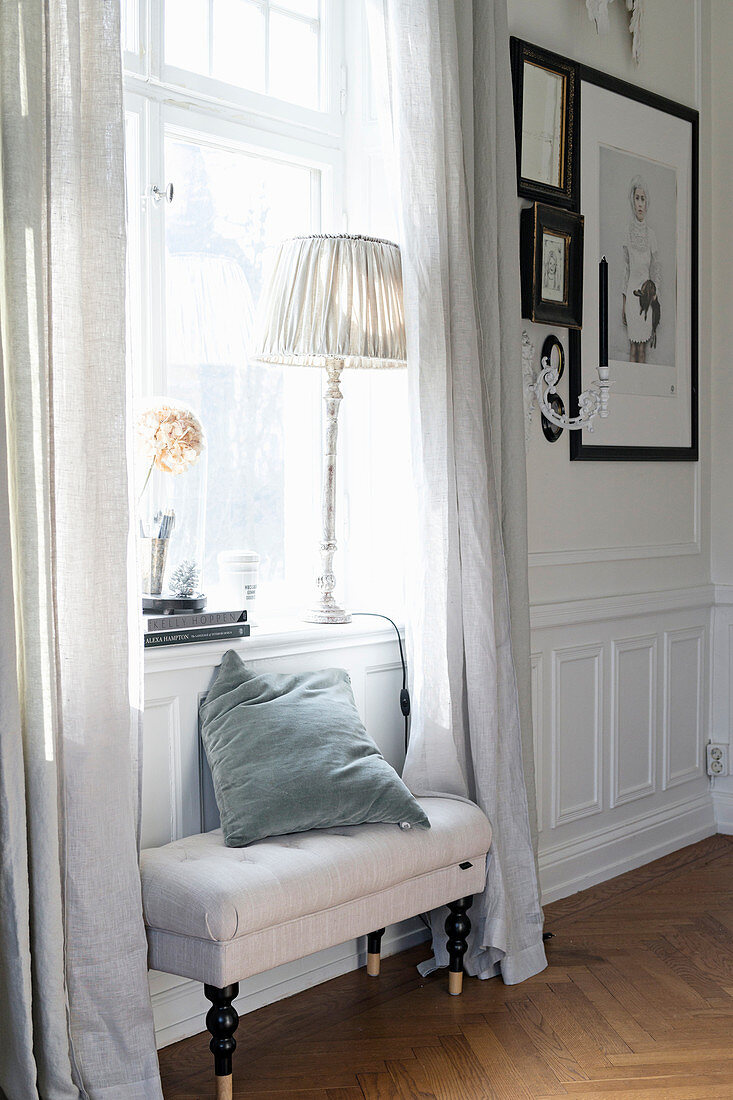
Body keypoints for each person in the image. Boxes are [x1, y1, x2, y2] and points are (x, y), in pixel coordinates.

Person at [622, 175, 661, 363]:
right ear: (632, 201)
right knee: (633, 347)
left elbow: (656, 267)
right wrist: (623, 303)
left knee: (643, 349)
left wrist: (654, 295)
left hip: (646, 298)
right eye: (637, 198)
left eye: (643, 199)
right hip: (631, 296)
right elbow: (625, 268)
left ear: (647, 203)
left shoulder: (651, 235)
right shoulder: (627, 232)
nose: (640, 204)